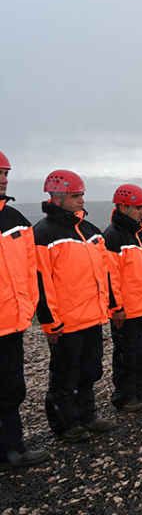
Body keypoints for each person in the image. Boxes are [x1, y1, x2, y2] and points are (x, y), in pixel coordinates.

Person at [34, 170, 119, 443]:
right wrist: (49, 321)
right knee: (65, 375)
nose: (81, 200)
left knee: (90, 370)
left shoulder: (90, 231)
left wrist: (109, 306)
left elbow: (105, 273)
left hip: (93, 316)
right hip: (66, 321)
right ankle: (66, 424)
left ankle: (87, 416)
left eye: (81, 194)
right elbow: (40, 280)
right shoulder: (44, 233)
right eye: (75, 196)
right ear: (56, 198)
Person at [0, 151, 50, 470]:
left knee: (11, 388)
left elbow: (31, 269)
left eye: (6, 173)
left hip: (12, 322)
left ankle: (11, 449)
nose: (4, 179)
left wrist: (29, 305)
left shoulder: (16, 219)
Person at [103, 184, 142, 412]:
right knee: (125, 355)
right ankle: (125, 396)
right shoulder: (112, 236)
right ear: (123, 207)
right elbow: (110, 276)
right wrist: (116, 307)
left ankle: (140, 389)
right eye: (138, 208)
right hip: (126, 310)